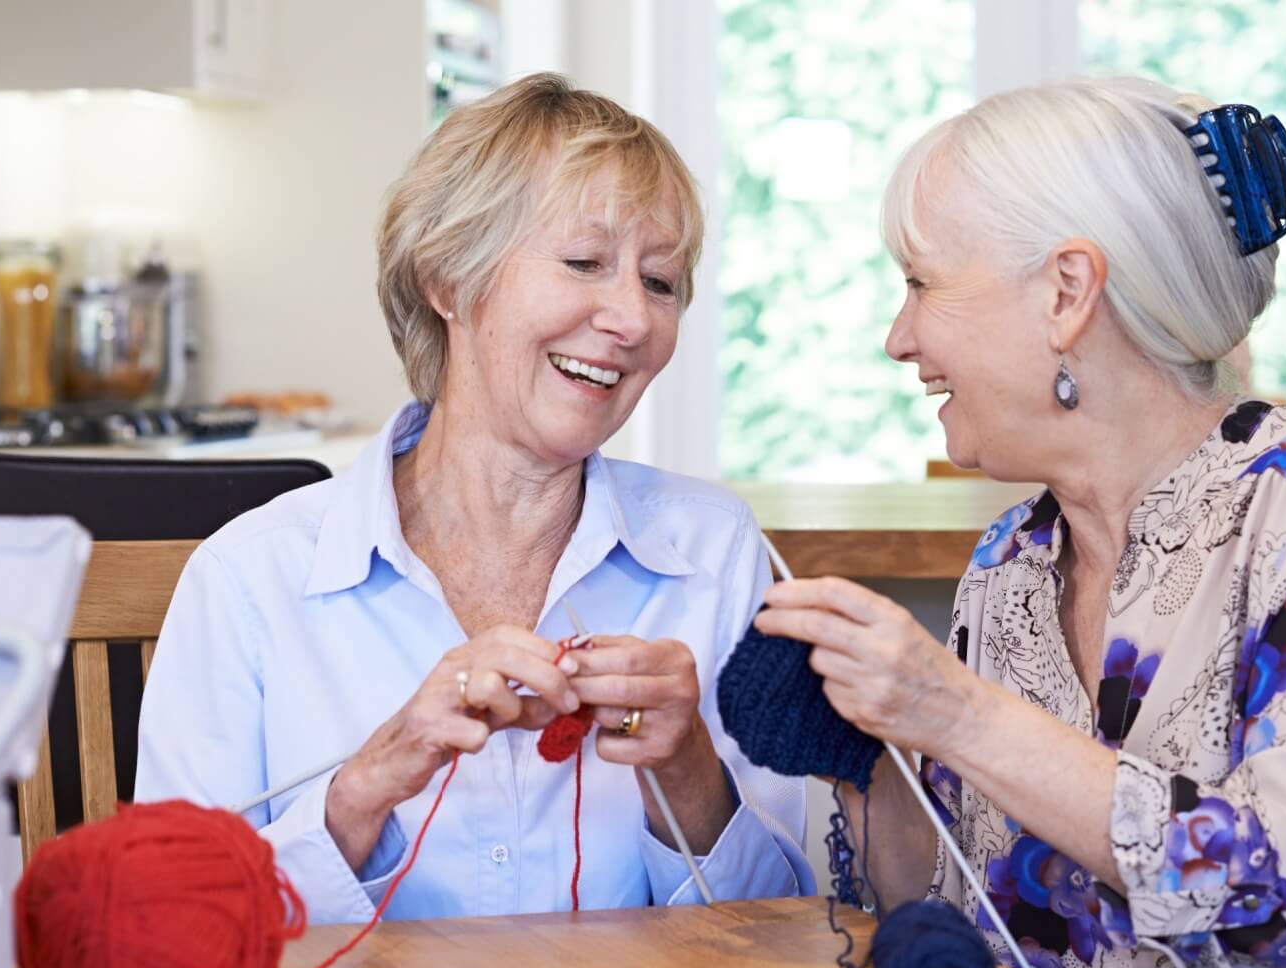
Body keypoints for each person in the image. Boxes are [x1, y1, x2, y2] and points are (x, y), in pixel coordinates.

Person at [757, 78, 1286, 968]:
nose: (901, 341)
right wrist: (862, 749)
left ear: (1066, 294)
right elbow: (940, 912)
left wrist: (952, 710)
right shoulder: (1012, 561)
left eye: (920, 284)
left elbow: (1284, 922)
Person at [136, 74, 811, 924]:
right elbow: (168, 925)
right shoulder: (251, 577)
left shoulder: (714, 553)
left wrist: (687, 771)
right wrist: (367, 787)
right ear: (446, 279)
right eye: (584, 263)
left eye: (662, 283)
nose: (634, 320)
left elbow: (781, 937)